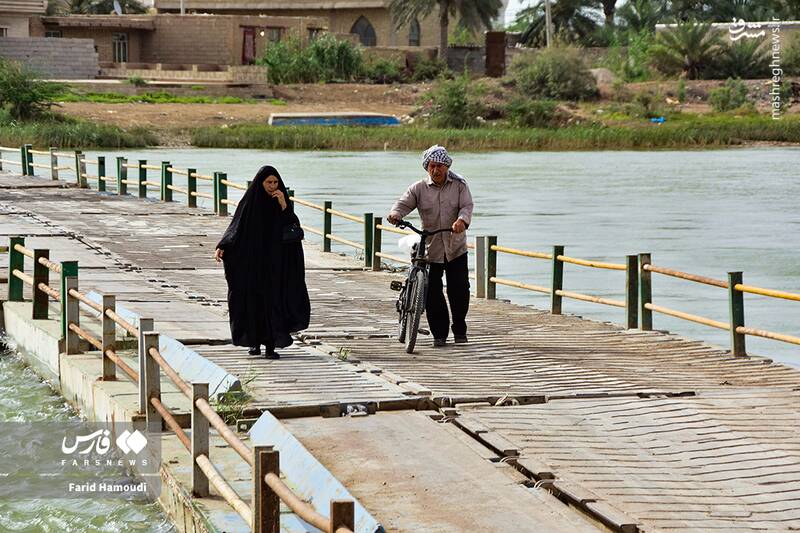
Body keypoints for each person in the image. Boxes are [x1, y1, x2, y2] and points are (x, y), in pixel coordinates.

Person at [214, 166, 310, 359]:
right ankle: (254, 343)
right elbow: (236, 227)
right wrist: (223, 246)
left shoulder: (282, 202)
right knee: (252, 302)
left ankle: (271, 347)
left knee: (273, 303)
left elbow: (293, 227)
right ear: (261, 183)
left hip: (275, 263)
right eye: (269, 182)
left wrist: (284, 205)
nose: (272, 186)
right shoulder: (250, 202)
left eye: (275, 182)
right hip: (252, 263)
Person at [387, 145, 474, 347]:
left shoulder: (460, 185)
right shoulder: (418, 188)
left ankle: (459, 329)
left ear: (447, 166)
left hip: (455, 247)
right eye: (432, 166)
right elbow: (403, 204)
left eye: (440, 166)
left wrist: (462, 221)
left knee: (459, 290)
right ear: (427, 167)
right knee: (432, 292)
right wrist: (395, 214)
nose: (436, 170)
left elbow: (467, 206)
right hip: (430, 248)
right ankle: (439, 334)